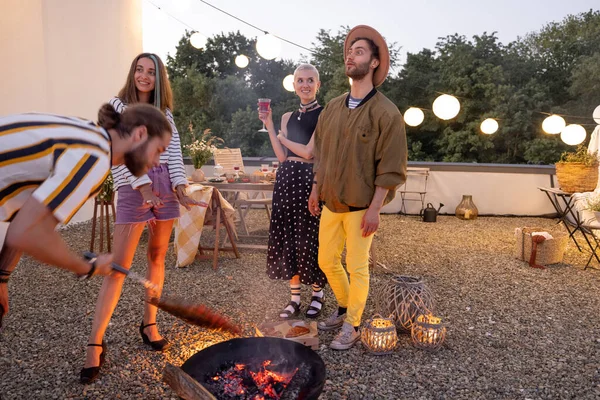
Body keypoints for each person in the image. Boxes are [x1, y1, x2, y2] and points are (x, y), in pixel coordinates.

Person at [82, 53, 205, 384]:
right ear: (132, 73)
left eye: (151, 72)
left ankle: (149, 324)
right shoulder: (117, 106)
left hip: (164, 186)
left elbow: (174, 155)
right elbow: (117, 154)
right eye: (140, 69)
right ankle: (95, 343)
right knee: (119, 267)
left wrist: (179, 187)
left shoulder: (165, 114)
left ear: (159, 78)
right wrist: (144, 187)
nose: (144, 76)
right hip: (134, 186)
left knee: (156, 257)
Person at [0, 102, 173, 328]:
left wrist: (2, 277)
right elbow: (26, 233)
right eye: (158, 150)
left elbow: (25, 220)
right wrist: (88, 267)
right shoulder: (94, 158)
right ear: (140, 134)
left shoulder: (89, 135)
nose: (157, 162)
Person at [309, 25, 407, 350]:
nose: (351, 56)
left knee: (358, 266)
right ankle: (344, 307)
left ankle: (352, 325)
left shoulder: (387, 113)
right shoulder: (333, 108)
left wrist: (376, 208)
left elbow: (390, 167)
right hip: (330, 203)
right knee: (326, 260)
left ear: (375, 63)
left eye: (359, 51)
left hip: (361, 207)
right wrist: (314, 189)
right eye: (350, 51)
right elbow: (320, 154)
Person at [258, 64, 327, 320]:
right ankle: (295, 298)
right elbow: (281, 155)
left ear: (318, 84)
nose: (305, 85)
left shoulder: (324, 114)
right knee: (289, 238)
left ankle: (318, 294)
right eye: (300, 81)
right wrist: (270, 124)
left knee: (312, 238)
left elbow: (310, 152)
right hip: (287, 180)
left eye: (310, 80)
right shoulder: (286, 117)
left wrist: (284, 139)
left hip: (310, 179)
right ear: (295, 85)